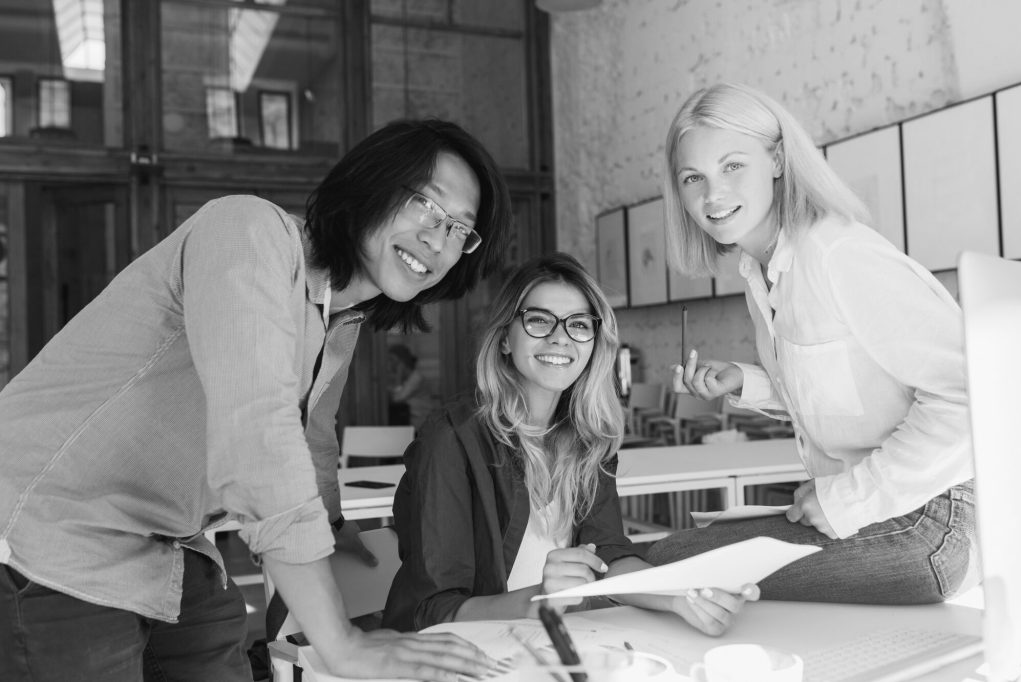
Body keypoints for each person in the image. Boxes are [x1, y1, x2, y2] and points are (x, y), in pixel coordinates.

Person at [0, 119, 514, 682]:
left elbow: (313, 433)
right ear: (371, 183)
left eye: (460, 229)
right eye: (426, 205)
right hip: (51, 532)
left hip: (164, 543)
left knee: (221, 641)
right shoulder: (246, 230)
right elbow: (257, 432)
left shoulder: (339, 317)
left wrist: (330, 524)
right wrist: (341, 643)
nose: (438, 240)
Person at [647, 83, 976, 604]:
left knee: (666, 564)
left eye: (733, 166)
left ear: (778, 160)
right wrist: (747, 382)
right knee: (674, 561)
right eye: (693, 178)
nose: (712, 194)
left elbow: (972, 396)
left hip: (933, 521)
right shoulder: (761, 273)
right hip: (888, 515)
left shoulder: (836, 254)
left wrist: (847, 501)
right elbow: (844, 391)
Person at [382, 252, 758, 634]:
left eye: (578, 324)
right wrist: (539, 599)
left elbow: (609, 555)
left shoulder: (587, 436)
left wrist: (683, 596)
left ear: (594, 342)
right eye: (539, 320)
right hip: (467, 651)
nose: (560, 337)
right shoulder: (452, 438)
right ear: (505, 338)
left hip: (556, 643)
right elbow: (432, 610)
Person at [387, 343, 432, 431]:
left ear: (402, 362)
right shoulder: (405, 379)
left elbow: (397, 399)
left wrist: (398, 376)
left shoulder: (416, 377)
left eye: (392, 360)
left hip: (420, 424)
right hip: (408, 423)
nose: (390, 364)